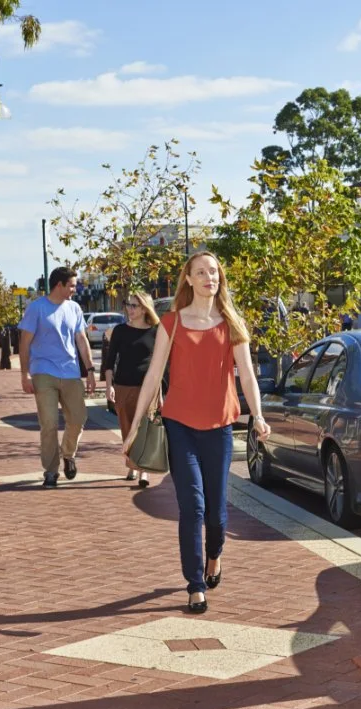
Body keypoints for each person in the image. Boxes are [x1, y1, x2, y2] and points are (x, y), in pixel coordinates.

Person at [123, 251, 272, 615]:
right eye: (201, 272)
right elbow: (153, 375)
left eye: (215, 271)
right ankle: (195, 585)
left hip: (219, 427)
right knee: (192, 506)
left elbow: (247, 375)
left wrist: (258, 415)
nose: (210, 277)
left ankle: (215, 554)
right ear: (188, 279)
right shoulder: (171, 322)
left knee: (217, 514)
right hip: (180, 426)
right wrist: (134, 429)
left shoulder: (231, 322)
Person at [18, 267, 97, 488]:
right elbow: (24, 343)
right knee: (49, 423)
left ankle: (68, 454)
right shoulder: (37, 308)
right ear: (59, 285)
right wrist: (24, 375)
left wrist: (90, 371)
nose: (75, 289)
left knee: (78, 419)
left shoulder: (74, 308)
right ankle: (51, 471)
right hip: (43, 371)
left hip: (70, 372)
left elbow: (81, 340)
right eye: (71, 285)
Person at [103, 291, 159, 490]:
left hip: (148, 388)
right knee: (127, 428)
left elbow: (162, 363)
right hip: (123, 386)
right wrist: (109, 386)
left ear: (145, 308)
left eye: (135, 305)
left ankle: (142, 470)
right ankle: (132, 464)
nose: (130, 309)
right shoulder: (119, 330)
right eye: (128, 304)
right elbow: (109, 362)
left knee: (144, 428)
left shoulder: (156, 331)